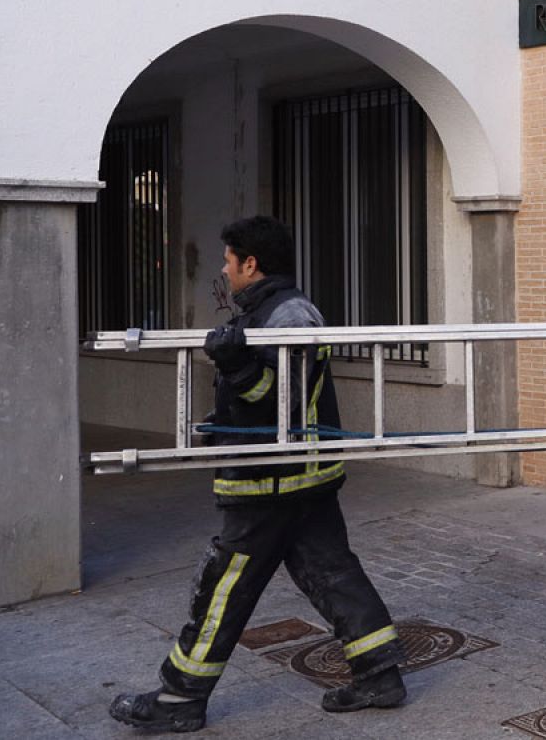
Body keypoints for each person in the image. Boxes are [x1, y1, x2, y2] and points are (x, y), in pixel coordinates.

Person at [110, 216, 406, 732]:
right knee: (333, 573)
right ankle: (380, 674)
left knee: (222, 586)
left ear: (251, 263)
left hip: (271, 481)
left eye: (228, 260)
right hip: (293, 479)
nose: (224, 270)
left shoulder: (290, 314)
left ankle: (180, 700)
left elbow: (279, 399)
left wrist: (237, 367)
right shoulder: (267, 310)